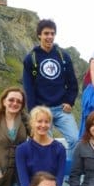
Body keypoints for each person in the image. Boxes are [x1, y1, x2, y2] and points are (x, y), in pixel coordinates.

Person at [22, 19, 79, 157]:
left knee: (75, 140)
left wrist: (69, 101)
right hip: (42, 110)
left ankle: (69, 175)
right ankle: (49, 176)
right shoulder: (31, 58)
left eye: (52, 33)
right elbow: (28, 88)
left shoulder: (63, 56)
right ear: (39, 35)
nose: (49, 37)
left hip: (61, 109)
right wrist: (33, 111)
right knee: (44, 144)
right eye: (46, 33)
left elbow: (72, 82)